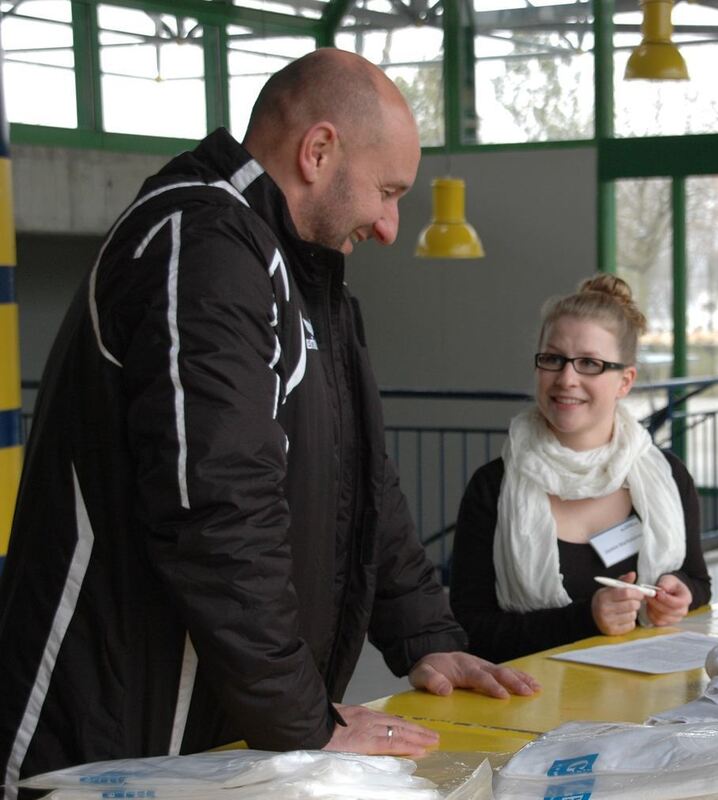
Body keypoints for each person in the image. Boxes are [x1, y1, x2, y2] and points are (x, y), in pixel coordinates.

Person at [0, 48, 539, 796]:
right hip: (116, 735)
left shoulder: (303, 275)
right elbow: (215, 511)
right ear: (318, 151)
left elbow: (362, 481)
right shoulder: (203, 247)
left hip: (214, 727)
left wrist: (425, 637)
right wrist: (304, 719)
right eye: (386, 191)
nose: (388, 226)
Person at [450, 274, 711, 665]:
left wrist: (681, 594)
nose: (566, 379)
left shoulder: (667, 476)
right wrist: (585, 619)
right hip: (530, 710)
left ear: (625, 381)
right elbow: (471, 632)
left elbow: (698, 582)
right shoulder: (494, 487)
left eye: (589, 363)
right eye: (553, 359)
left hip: (651, 709)